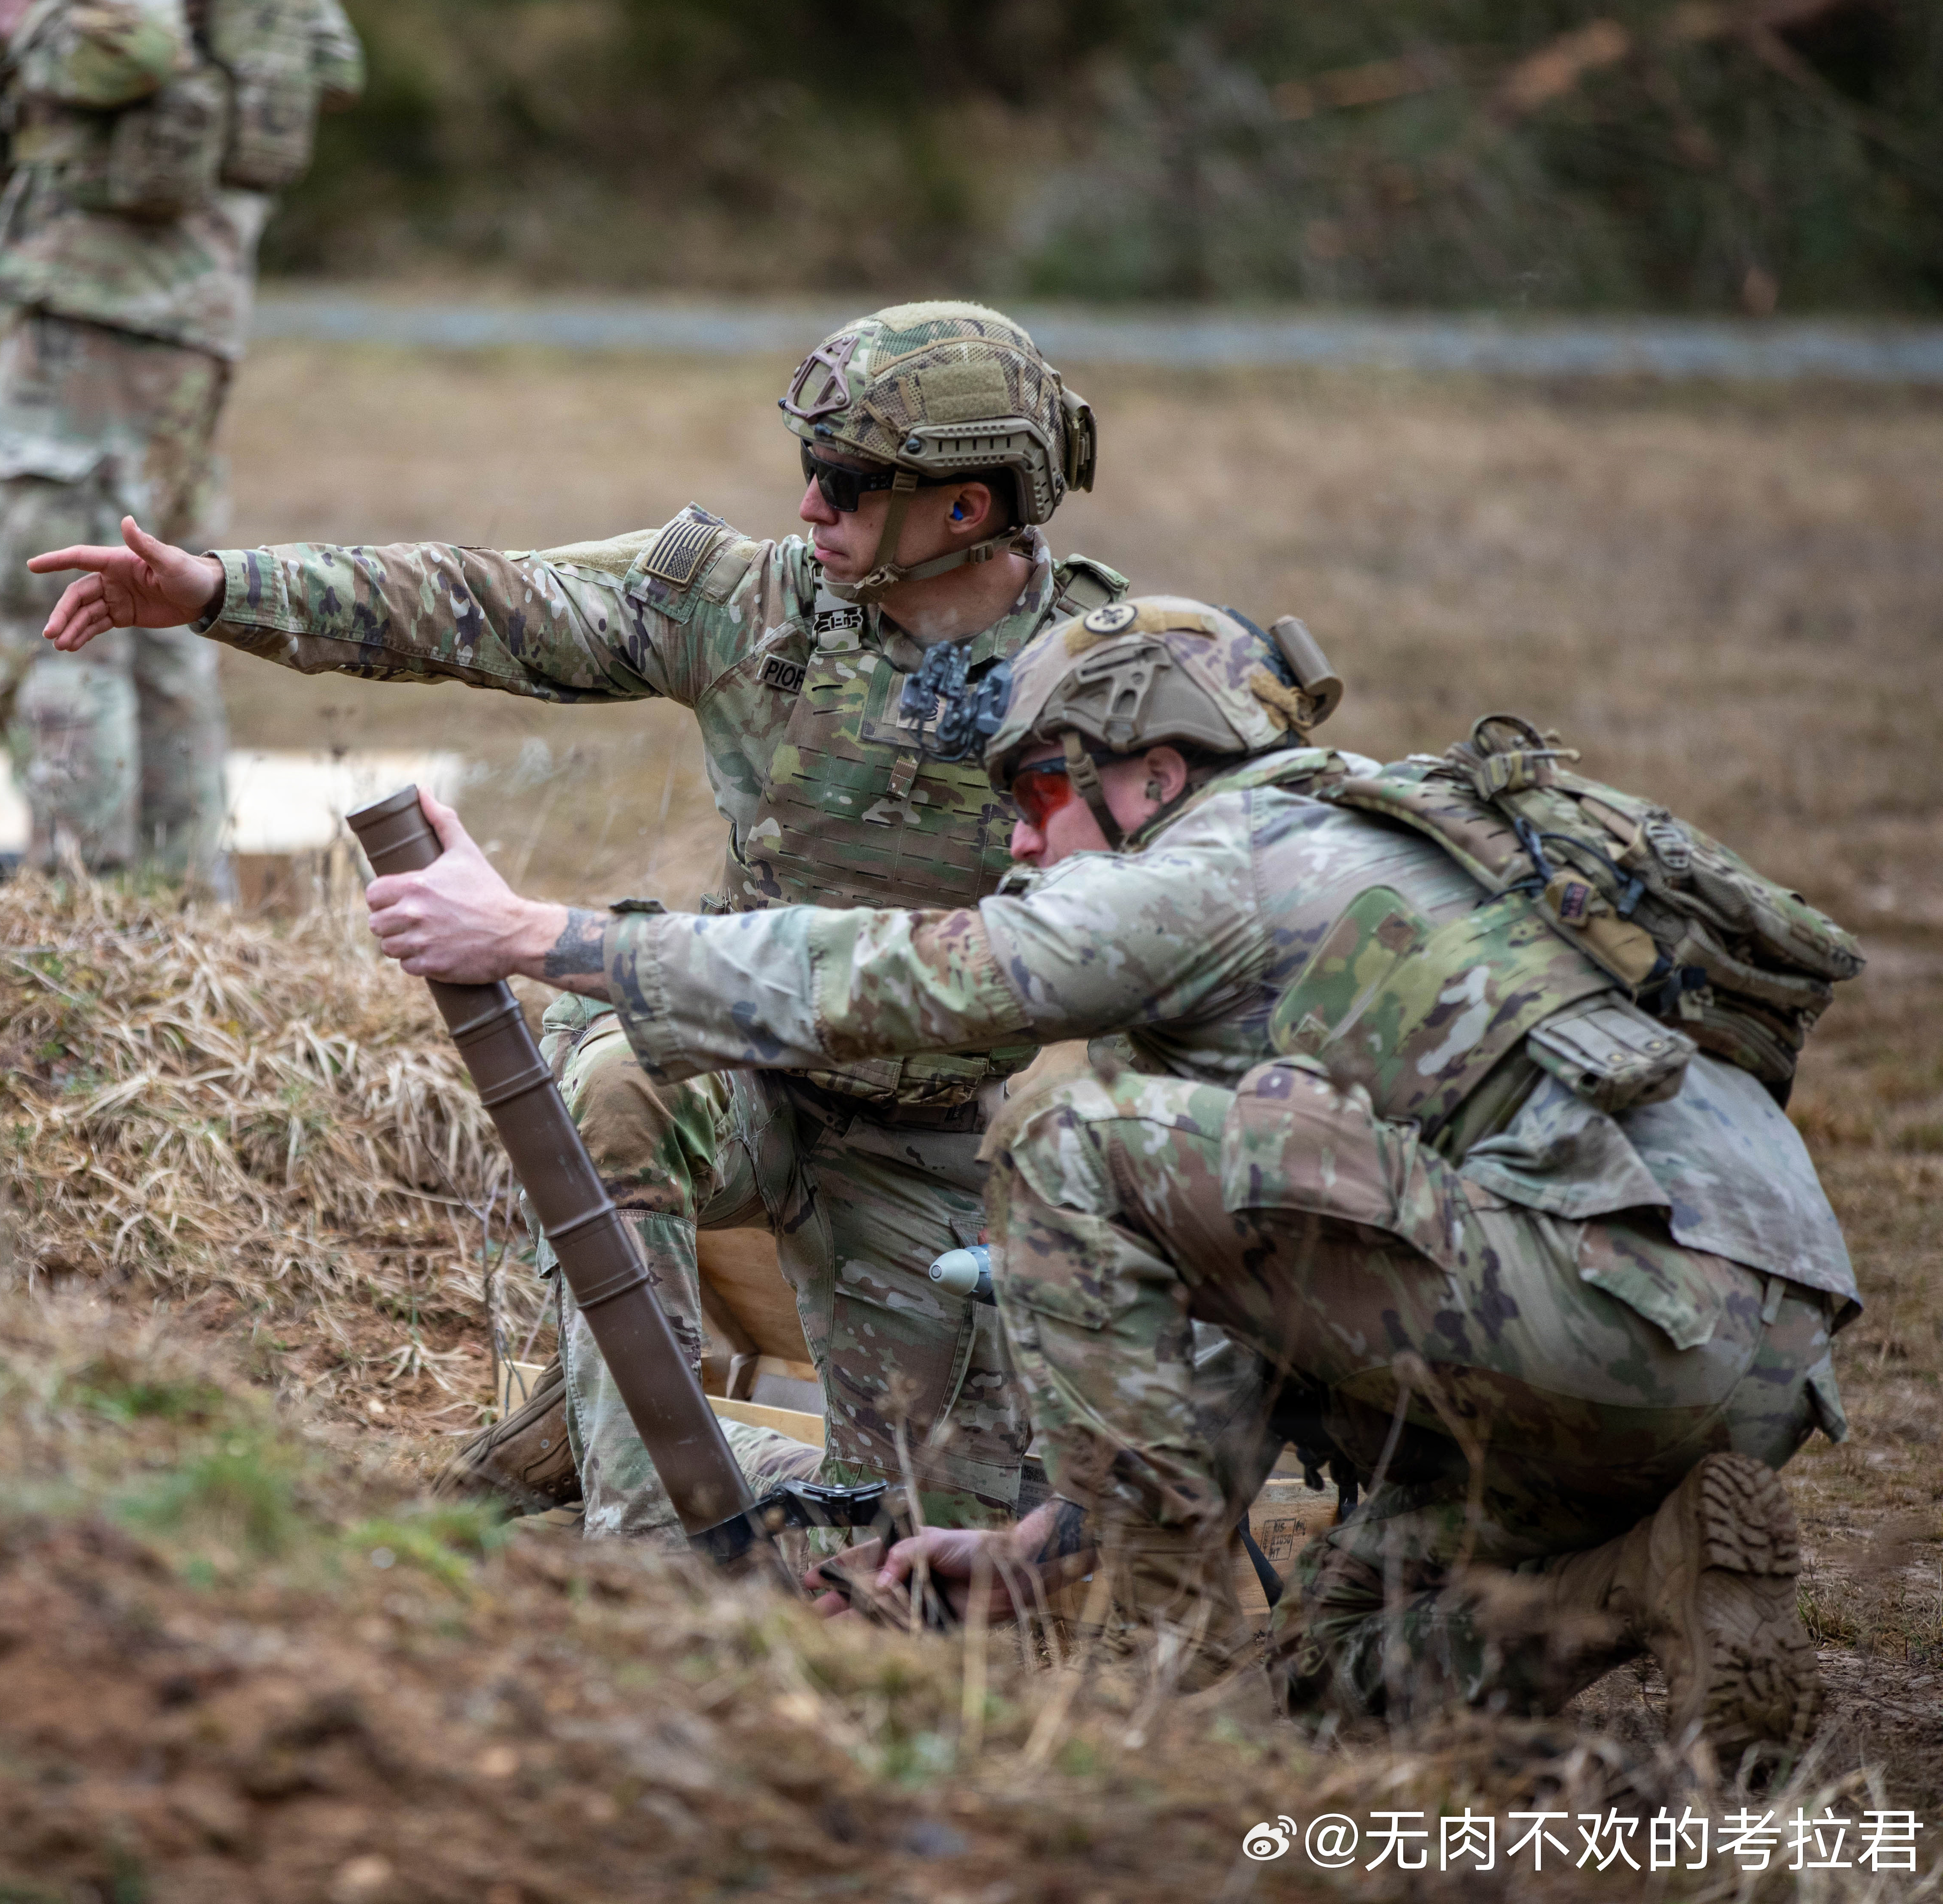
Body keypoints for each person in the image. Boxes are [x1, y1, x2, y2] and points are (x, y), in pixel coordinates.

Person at [351, 600, 1852, 1760]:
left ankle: (1156, 1668)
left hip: (1596, 1297)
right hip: (1736, 1357)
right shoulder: (1386, 861)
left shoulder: (1224, 856)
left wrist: (539, 937)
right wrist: (1035, 1548)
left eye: (1036, 791)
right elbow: (1251, 1307)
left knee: (1065, 1138)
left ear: (1152, 770)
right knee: (1335, 1682)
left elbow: (926, 976)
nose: (1014, 840)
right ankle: (1650, 1575)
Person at [28, 303, 1126, 1541]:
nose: (809, 505)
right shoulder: (758, 607)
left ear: (966, 508)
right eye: (808, 466)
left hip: (925, 1141)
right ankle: (647, 1541)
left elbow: (1178, 960)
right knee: (616, 1078)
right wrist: (223, 589)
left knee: (928, 1563)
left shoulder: (1108, 692)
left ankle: (629, 1447)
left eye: (847, 481)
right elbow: (492, 601)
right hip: (737, 1069)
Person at [0, 0, 362, 881]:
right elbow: (333, 64)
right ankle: (179, 902)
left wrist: (17, 20)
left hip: (99, 319)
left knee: (61, 612)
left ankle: (84, 906)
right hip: (197, 317)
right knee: (163, 614)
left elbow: (136, 46)